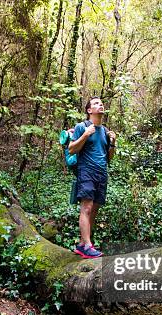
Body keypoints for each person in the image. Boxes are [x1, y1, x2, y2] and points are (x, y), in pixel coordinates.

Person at [68, 96, 117, 258]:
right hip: (86, 171)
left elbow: (109, 158)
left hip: (102, 173)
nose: (100, 105)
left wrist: (113, 143)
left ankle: (83, 243)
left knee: (94, 211)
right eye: (96, 103)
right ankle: (88, 246)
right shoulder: (82, 127)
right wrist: (85, 135)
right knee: (86, 208)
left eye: (102, 103)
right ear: (89, 110)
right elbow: (72, 149)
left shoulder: (104, 131)